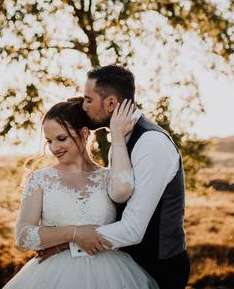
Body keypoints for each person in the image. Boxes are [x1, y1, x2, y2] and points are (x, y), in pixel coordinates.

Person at [40, 65, 191, 289]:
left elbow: (133, 229)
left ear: (111, 103)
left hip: (158, 268)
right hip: (126, 263)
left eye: (88, 100)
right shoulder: (120, 139)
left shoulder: (151, 143)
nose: (83, 106)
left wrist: (67, 243)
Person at [3, 98, 158, 288]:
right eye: (49, 141)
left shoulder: (108, 178)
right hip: (55, 275)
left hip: (110, 275)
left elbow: (125, 197)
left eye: (61, 138)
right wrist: (73, 233)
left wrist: (117, 137)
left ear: (84, 133)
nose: (54, 148)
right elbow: (23, 236)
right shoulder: (40, 179)